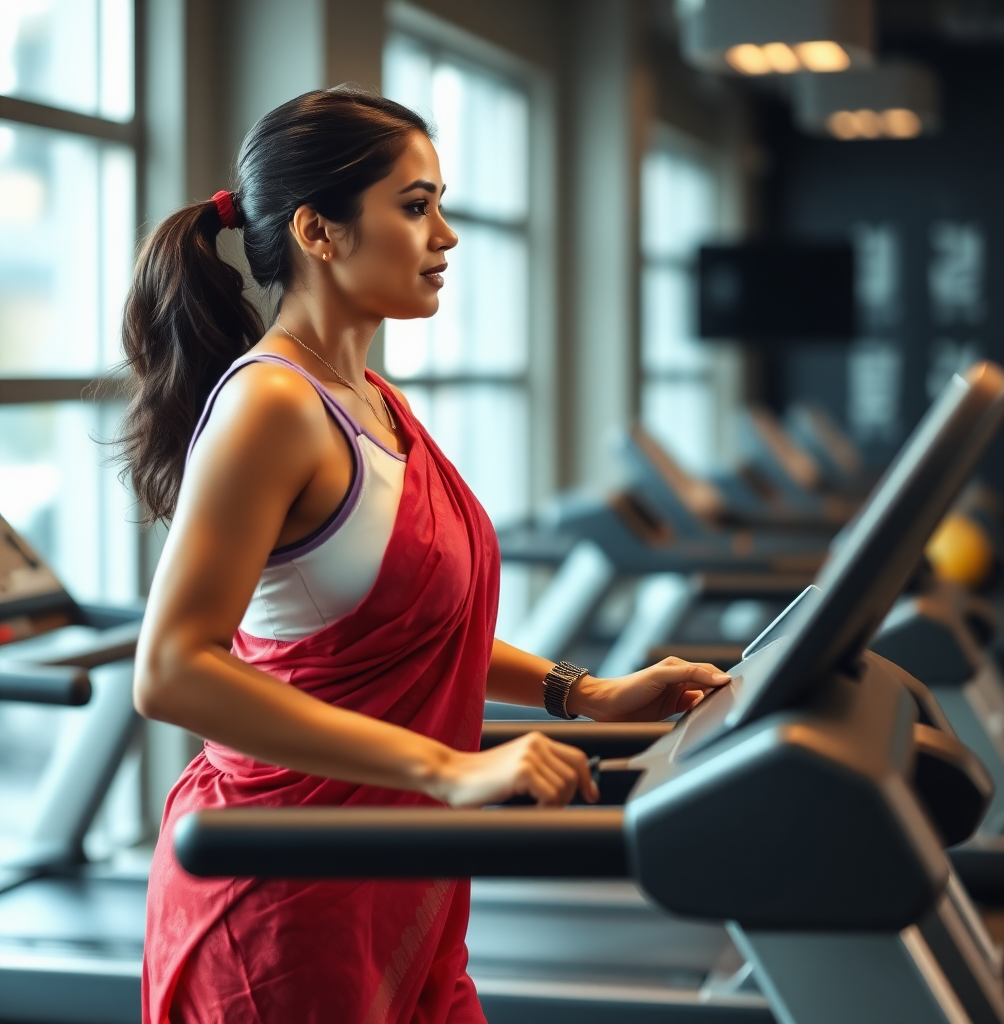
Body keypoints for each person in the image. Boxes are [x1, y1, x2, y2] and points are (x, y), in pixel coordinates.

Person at [119, 86, 731, 1024]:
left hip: (401, 875)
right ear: (320, 232)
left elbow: (417, 634)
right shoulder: (271, 407)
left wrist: (584, 691)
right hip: (282, 898)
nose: (445, 235)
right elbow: (170, 671)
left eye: (439, 203)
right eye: (415, 207)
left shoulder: (375, 400)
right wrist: (449, 770)